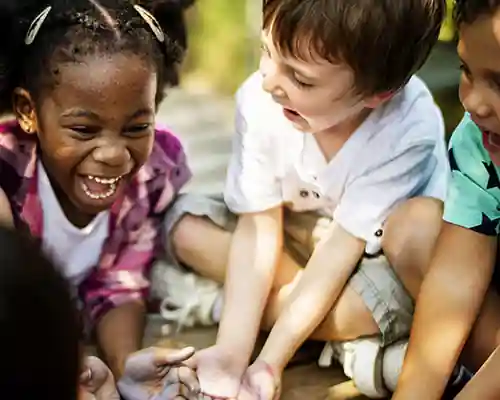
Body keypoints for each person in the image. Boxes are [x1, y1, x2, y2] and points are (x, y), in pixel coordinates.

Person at [152, 0, 453, 398]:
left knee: (393, 295)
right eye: (266, 50)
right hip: (298, 236)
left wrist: (270, 361)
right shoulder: (261, 102)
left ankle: (239, 308)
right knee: (184, 225)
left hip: (368, 255)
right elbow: (258, 228)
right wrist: (232, 354)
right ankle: (344, 343)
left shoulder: (406, 130)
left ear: (377, 94)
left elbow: (339, 252)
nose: (268, 80)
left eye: (301, 79)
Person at [0, 0, 199, 397]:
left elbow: (119, 282)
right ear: (28, 111)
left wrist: (126, 366)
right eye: (84, 130)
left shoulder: (153, 171)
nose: (114, 153)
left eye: (137, 126)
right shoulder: (6, 174)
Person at [393, 0, 500, 398]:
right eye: (466, 72)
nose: (472, 102)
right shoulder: (479, 140)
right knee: (411, 230)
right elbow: (455, 278)